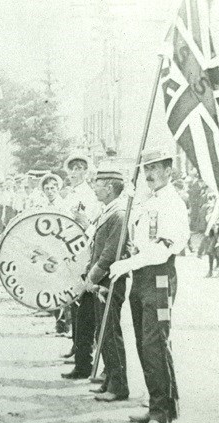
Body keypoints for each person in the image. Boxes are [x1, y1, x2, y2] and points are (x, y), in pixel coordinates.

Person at [109, 148, 189, 423]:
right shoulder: (149, 200)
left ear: (170, 170)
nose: (149, 174)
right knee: (146, 344)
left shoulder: (173, 203)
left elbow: (164, 247)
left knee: (155, 343)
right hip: (141, 277)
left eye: (155, 167)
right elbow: (137, 235)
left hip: (159, 278)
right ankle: (163, 404)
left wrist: (127, 262)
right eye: (146, 169)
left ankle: (160, 414)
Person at [62, 161, 130, 400]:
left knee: (109, 333)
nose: (95, 187)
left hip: (108, 282)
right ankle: (110, 381)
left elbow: (109, 254)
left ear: (110, 187)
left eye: (99, 184)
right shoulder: (108, 210)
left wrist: (90, 279)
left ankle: (118, 386)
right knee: (103, 332)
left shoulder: (119, 214)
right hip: (100, 282)